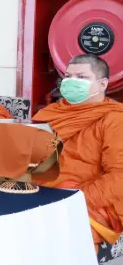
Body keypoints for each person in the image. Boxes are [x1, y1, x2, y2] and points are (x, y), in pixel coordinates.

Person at [33, 54, 123, 253]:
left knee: (52, 237)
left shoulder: (115, 119)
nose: (72, 82)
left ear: (102, 84)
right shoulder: (50, 113)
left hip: (89, 201)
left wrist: (74, 200)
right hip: (41, 192)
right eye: (68, 76)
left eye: (81, 77)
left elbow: (119, 176)